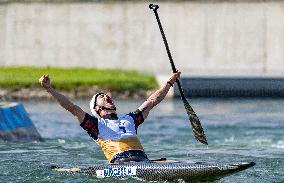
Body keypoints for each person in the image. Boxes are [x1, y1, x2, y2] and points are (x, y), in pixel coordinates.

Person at [38, 71, 181, 164]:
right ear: (96, 109)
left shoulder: (130, 119)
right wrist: (49, 89)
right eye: (101, 97)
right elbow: (72, 107)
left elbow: (152, 101)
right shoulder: (95, 125)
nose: (107, 96)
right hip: (120, 163)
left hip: (143, 161)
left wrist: (170, 82)